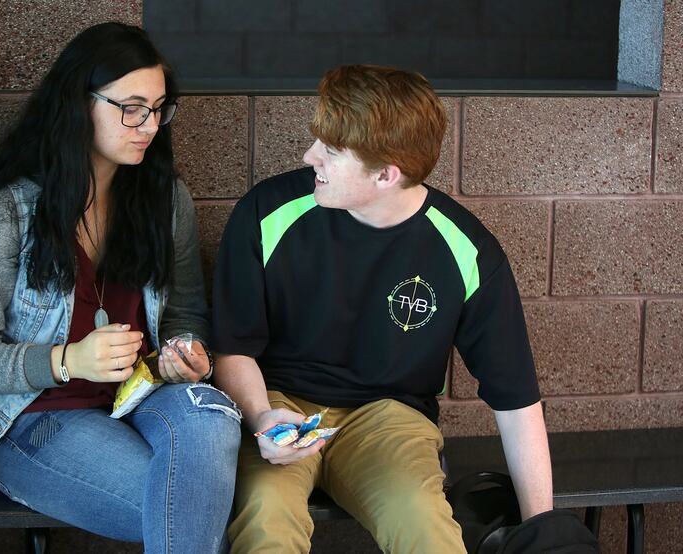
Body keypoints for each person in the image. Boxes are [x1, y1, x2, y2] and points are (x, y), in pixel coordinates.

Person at [211, 64, 553, 553]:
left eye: (330, 151)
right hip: (279, 407)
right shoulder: (268, 212)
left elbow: (516, 400)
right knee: (264, 521)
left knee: (426, 528)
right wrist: (262, 416)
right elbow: (232, 348)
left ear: (386, 174)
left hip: (389, 420)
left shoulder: (464, 248)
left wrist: (543, 530)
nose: (310, 157)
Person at [0, 22, 241, 553]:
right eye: (131, 108)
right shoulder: (2, 215)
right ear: (80, 104)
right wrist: (67, 361)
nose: (148, 125)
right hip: (38, 419)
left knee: (207, 412)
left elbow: (185, 311)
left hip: (143, 398)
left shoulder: (165, 201)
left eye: (158, 108)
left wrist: (184, 353)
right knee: (190, 509)